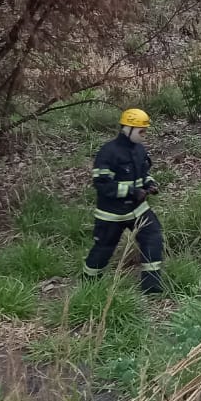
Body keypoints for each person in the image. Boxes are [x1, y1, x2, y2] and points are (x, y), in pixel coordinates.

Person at [84, 108, 164, 294]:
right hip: (111, 214)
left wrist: (150, 184)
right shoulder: (108, 152)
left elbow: (143, 173)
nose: (144, 135)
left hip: (137, 210)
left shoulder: (139, 150)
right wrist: (131, 192)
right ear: (128, 129)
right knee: (104, 249)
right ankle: (88, 285)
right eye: (141, 131)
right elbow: (102, 184)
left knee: (153, 237)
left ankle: (152, 288)